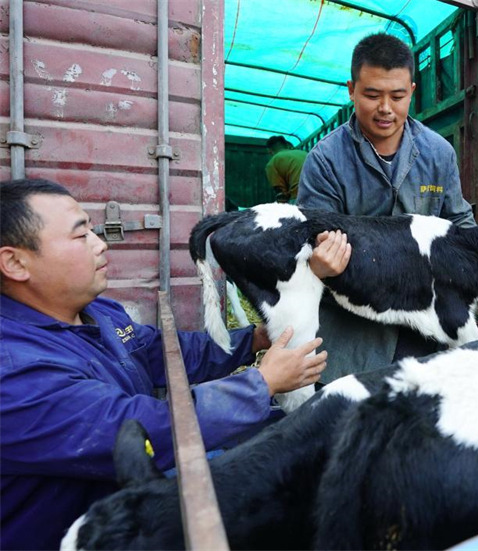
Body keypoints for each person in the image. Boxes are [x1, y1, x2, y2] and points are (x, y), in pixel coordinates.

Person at [0, 178, 327, 551]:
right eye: (80, 236)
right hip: (78, 535)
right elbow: (139, 429)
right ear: (15, 262)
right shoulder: (14, 372)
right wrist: (260, 383)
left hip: (126, 501)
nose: (100, 244)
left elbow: (164, 352)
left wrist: (252, 340)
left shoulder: (97, 313)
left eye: (93, 230)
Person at [297, 33, 478, 381]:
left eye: (397, 96)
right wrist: (318, 262)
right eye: (372, 95)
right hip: (354, 322)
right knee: (353, 414)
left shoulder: (438, 152)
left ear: (412, 92)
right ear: (351, 89)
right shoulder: (325, 160)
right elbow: (311, 240)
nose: (385, 108)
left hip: (426, 315)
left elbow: (459, 224)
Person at [265, 136, 308, 203]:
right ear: (286, 145)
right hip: (322, 195)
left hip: (300, 197)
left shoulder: (273, 162)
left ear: (269, 151)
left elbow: (281, 193)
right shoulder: (304, 153)